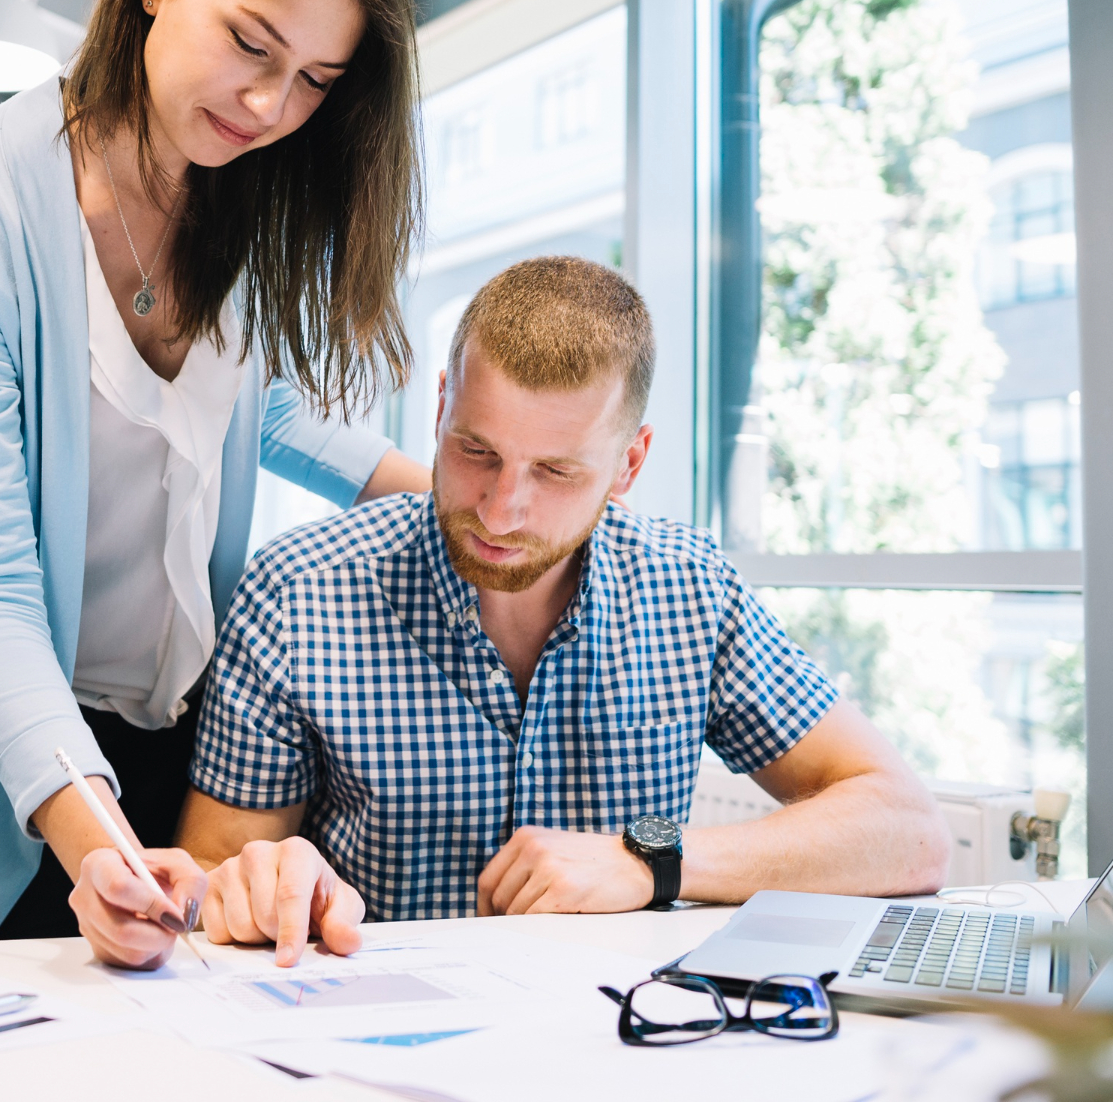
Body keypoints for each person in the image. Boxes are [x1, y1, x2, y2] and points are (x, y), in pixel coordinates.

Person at [0, 0, 431, 963]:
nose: (270, 102)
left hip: (179, 734)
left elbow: (246, 411)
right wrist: (93, 835)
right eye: (252, 43)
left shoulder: (238, 195)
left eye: (316, 80)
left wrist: (465, 492)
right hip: (11, 755)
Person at [178, 257, 952, 964]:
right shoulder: (298, 592)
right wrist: (266, 884)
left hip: (619, 1044)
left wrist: (651, 861)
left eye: (555, 471)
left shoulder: (687, 589)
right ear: (441, 406)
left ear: (629, 465)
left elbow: (909, 832)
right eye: (476, 451)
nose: (502, 511)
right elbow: (209, 879)